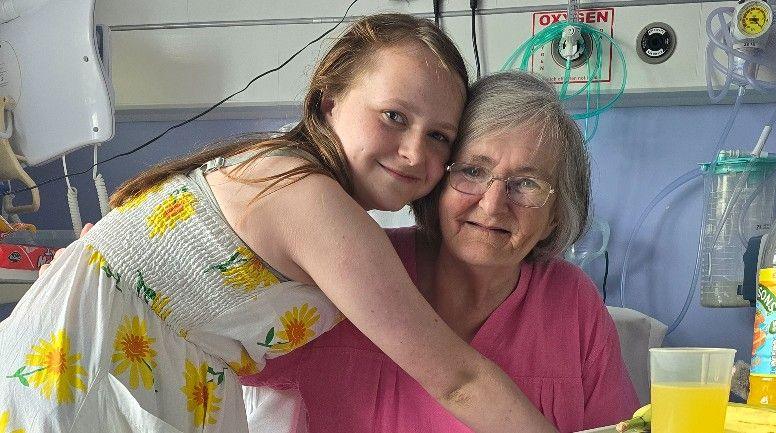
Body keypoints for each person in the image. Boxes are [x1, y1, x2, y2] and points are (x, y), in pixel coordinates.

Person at [0, 15, 558, 433]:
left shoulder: (277, 171)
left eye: (439, 136)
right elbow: (458, 379)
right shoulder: (309, 201)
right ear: (328, 100)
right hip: (81, 380)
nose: (414, 152)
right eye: (394, 117)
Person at [241, 71, 640, 433]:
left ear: (555, 216)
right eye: (471, 171)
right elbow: (218, 351)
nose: (493, 204)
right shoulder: (353, 269)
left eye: (527, 183)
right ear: (436, 183)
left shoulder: (572, 303)